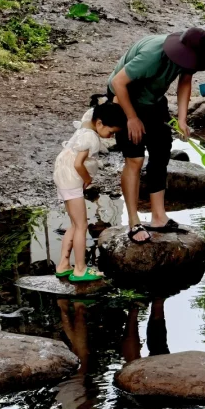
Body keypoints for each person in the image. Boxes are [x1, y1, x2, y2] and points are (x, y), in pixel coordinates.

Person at [109, 27, 205, 243]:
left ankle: (159, 216)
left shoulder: (189, 57)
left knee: (161, 153)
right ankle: (133, 221)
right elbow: (117, 83)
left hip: (154, 102)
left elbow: (185, 82)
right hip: (125, 99)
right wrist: (131, 118)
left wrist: (182, 119)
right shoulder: (151, 56)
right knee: (135, 159)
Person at [54, 95, 126, 282]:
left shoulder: (88, 122)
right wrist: (87, 180)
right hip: (71, 179)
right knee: (82, 225)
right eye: (111, 132)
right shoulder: (90, 138)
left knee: (75, 224)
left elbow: (94, 112)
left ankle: (63, 265)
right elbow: (79, 164)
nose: (111, 137)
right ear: (100, 123)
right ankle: (80, 269)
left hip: (62, 177)